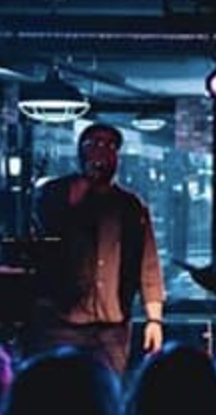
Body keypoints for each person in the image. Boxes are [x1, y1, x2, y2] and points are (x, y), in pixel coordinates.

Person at [29, 122, 165, 375]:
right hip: (63, 321)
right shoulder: (57, 193)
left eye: (109, 146)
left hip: (112, 325)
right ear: (82, 151)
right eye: (94, 144)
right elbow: (41, 241)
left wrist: (154, 319)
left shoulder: (130, 206)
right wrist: (73, 204)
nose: (101, 152)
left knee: (109, 393)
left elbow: (148, 264)